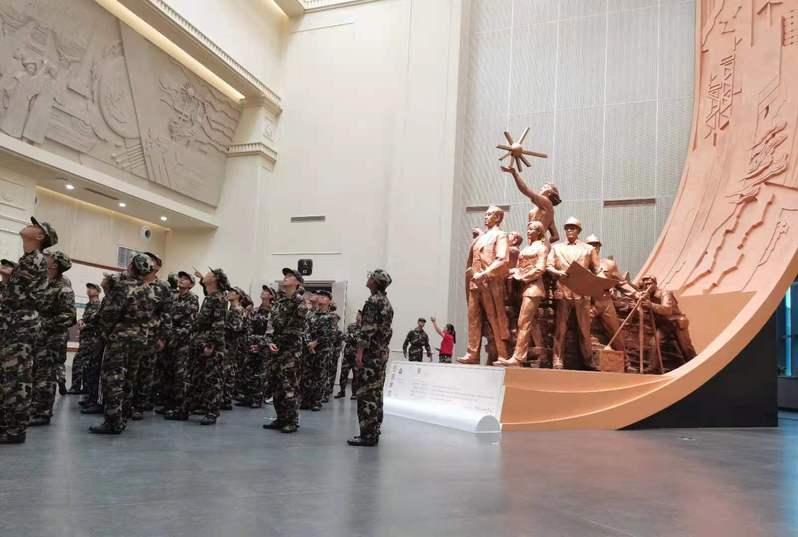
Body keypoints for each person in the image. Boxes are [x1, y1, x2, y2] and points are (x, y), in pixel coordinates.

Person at [0, 217, 55, 445]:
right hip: (16, 321)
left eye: (35, 226)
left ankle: (15, 429)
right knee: (9, 376)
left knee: (16, 378)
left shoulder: (34, 260)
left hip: (21, 323)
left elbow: (15, 296)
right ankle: (8, 424)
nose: (29, 225)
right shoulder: (28, 259)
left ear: (39, 236)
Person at [89, 254, 155, 434]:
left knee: (113, 380)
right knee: (128, 380)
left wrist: (105, 333)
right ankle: (122, 418)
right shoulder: (149, 290)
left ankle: (112, 422)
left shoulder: (123, 287)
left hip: (120, 339)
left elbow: (109, 314)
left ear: (132, 266)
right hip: (140, 340)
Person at [169, 268, 229, 425]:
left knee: (212, 380)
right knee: (193, 378)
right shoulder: (210, 296)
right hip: (199, 343)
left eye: (209, 274)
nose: (206, 275)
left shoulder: (219, 298)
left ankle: (212, 413)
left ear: (215, 279)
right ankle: (184, 410)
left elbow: (218, 324)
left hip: (210, 346)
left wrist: (211, 345)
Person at [458, 206, 511, 365]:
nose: (485, 217)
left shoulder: (500, 235)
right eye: (486, 214)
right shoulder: (479, 239)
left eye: (489, 215)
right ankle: (472, 353)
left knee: (494, 319)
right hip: (474, 284)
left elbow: (502, 260)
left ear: (498, 218)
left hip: (490, 283)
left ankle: (503, 354)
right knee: (473, 319)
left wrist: (485, 273)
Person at [547, 217, 601, 370]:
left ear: (579, 231)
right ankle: (557, 359)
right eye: (567, 228)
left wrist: (602, 282)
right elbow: (548, 266)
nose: (570, 230)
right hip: (563, 290)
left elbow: (598, 269)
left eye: (573, 228)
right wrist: (558, 272)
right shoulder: (556, 248)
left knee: (584, 329)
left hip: (582, 292)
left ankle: (588, 360)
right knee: (560, 328)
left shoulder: (588, 249)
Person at [30, 251, 76, 425]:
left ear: (55, 265)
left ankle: (43, 413)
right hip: (39, 337)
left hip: (52, 338)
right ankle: (35, 407)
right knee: (36, 373)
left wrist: (42, 323)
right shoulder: (44, 283)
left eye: (49, 258)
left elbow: (69, 317)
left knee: (46, 376)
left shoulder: (63, 288)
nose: (45, 258)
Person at [349, 269, 393, 447]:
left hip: (371, 355)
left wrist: (359, 352)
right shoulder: (386, 303)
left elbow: (368, 330)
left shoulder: (373, 301)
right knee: (376, 393)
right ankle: (374, 430)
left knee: (366, 394)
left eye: (370, 277)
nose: (368, 279)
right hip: (380, 354)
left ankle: (367, 434)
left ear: (374, 282)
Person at [496, 222, 548, 367]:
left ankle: (518, 357)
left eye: (532, 229)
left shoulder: (542, 248)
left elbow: (540, 268)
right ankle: (539, 353)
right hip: (523, 289)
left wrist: (522, 277)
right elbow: (518, 268)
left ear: (539, 232)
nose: (529, 231)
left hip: (533, 289)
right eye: (528, 228)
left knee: (523, 322)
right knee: (530, 322)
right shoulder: (526, 249)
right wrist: (508, 272)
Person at [263, 268, 307, 434]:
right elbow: (270, 324)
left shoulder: (300, 302)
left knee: (290, 386)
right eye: (285, 276)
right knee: (277, 386)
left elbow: (297, 327)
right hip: (276, 350)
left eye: (289, 276)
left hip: (290, 350)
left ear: (297, 282)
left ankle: (292, 421)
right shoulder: (279, 302)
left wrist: (278, 342)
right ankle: (281, 418)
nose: (285, 278)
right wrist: (269, 341)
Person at [132, 252, 172, 419]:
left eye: (151, 261)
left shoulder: (163, 287)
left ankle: (139, 406)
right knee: (128, 372)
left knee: (146, 372)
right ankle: (124, 404)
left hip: (151, 336)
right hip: (130, 335)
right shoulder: (133, 282)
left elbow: (167, 313)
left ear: (157, 267)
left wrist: (163, 338)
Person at [158, 271, 199, 416]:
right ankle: (167, 402)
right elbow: (166, 318)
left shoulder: (192, 299)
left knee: (180, 374)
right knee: (167, 372)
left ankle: (178, 405)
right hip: (169, 340)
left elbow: (190, 324)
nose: (181, 280)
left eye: (185, 279)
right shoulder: (173, 297)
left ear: (191, 285)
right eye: (180, 278)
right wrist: (165, 337)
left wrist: (174, 336)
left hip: (182, 342)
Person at [585, 235, 628, 364]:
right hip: (587, 302)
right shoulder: (581, 262)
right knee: (583, 331)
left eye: (596, 245)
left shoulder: (609, 264)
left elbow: (621, 283)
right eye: (590, 245)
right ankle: (587, 362)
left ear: (599, 247)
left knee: (615, 332)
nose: (593, 248)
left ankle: (625, 361)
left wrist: (636, 294)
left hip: (605, 301)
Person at [638, 275, 697, 364]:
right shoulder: (648, 296)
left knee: (686, 349)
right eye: (645, 285)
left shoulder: (665, 293)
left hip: (676, 322)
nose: (647, 286)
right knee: (654, 343)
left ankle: (694, 364)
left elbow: (667, 310)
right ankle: (652, 367)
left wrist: (651, 305)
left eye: (649, 284)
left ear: (655, 283)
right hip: (665, 325)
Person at [502, 165, 561, 243]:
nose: (541, 188)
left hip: (535, 243)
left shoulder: (547, 202)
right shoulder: (548, 211)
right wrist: (546, 244)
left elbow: (525, 190)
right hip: (536, 243)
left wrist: (515, 174)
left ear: (550, 193)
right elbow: (555, 236)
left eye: (545, 187)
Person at [240, 285, 275, 408]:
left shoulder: (274, 312)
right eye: (263, 291)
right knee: (248, 370)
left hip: (265, 346)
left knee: (261, 373)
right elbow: (248, 328)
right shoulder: (254, 310)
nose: (263, 292)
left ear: (271, 296)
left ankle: (257, 398)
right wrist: (251, 343)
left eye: (266, 291)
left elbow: (271, 331)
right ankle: (247, 397)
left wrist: (259, 345)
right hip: (252, 344)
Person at [67, 283, 102, 395]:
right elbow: (87, 319)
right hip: (85, 338)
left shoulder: (97, 304)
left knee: (78, 361)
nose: (89, 290)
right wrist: (81, 321)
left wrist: (86, 326)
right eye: (88, 288)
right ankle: (86, 388)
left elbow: (97, 321)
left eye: (92, 288)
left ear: (98, 292)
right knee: (87, 364)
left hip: (91, 339)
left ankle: (76, 387)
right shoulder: (89, 305)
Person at [303, 289, 335, 411]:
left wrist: (315, 343)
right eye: (320, 296)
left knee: (320, 376)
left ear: (329, 302)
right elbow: (305, 330)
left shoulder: (331, 317)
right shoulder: (310, 315)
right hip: (309, 349)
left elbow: (331, 334)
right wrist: (308, 343)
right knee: (307, 375)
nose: (321, 297)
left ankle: (317, 401)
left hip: (323, 351)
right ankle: (306, 400)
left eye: (325, 296)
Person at [223, 287, 247, 410]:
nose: (229, 293)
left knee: (228, 370)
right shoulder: (231, 309)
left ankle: (226, 399)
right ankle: (225, 397)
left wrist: (221, 326)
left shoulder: (237, 310)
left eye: (232, 292)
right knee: (227, 370)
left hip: (231, 344)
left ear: (238, 295)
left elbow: (236, 328)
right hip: (228, 343)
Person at [335, 310, 362, 399]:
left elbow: (360, 342)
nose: (357, 317)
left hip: (356, 356)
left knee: (356, 375)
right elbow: (345, 337)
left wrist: (352, 338)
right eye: (357, 315)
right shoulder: (351, 326)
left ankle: (354, 393)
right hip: (348, 354)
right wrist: (352, 338)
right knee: (343, 374)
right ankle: (342, 391)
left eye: (359, 315)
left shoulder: (364, 329)